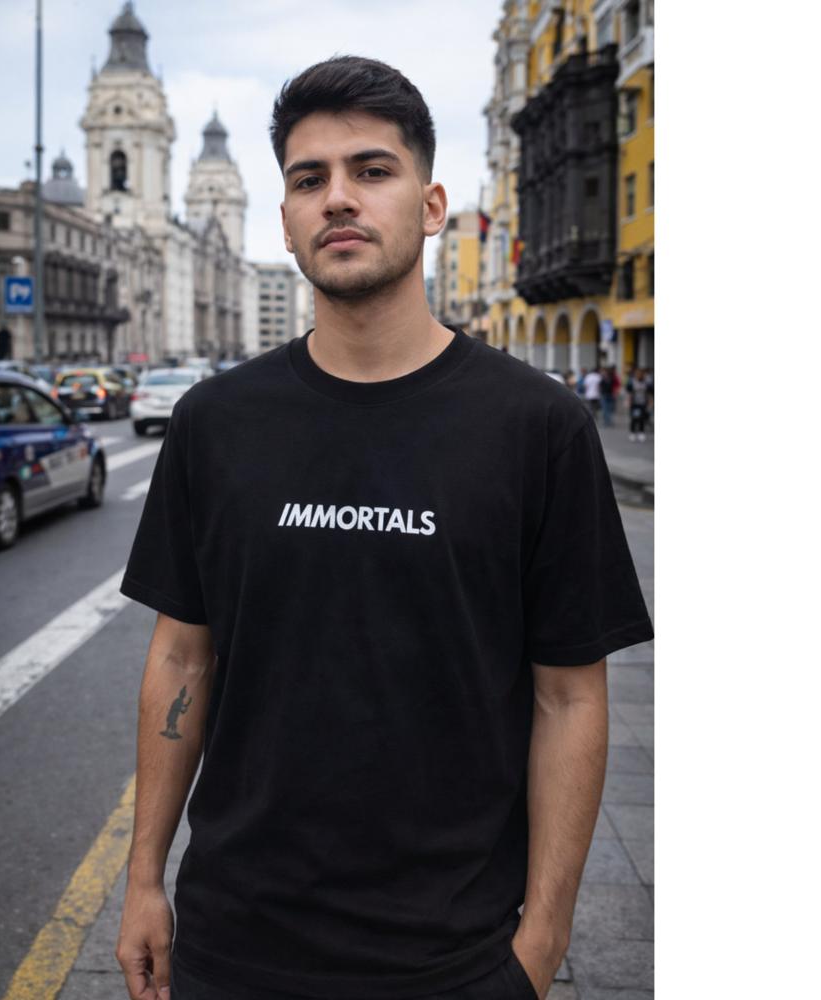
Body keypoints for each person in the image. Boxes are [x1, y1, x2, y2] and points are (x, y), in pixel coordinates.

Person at [116, 55, 653, 1000]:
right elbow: (182, 657)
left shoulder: (538, 427)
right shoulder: (215, 423)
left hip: (454, 957)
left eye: (372, 170)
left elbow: (571, 697)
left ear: (432, 205)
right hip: (234, 945)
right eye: (308, 179)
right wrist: (143, 878)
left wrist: (542, 940)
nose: (338, 198)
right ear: (287, 220)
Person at [626, 367, 654, 442]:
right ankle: (632, 432)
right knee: (634, 418)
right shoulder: (632, 382)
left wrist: (650, 403)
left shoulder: (646, 383)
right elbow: (629, 393)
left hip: (643, 403)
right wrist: (628, 402)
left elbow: (649, 394)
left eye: (640, 373)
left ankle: (641, 432)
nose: (639, 375)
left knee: (642, 418)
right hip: (634, 404)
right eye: (637, 373)